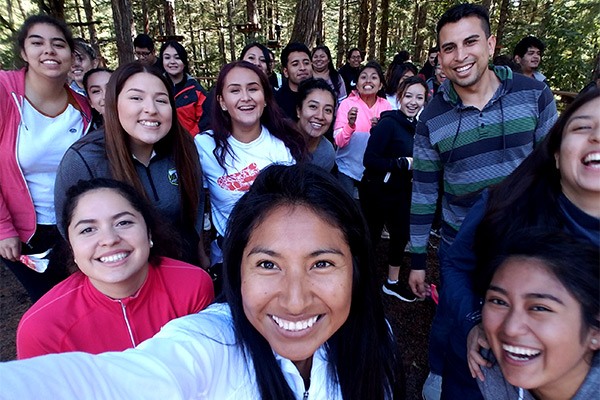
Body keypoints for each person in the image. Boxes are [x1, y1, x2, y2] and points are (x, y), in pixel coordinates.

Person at [0, 164, 400, 400]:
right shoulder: (212, 344)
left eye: (323, 263)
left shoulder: (376, 338)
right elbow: (111, 383)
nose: (295, 301)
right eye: (267, 265)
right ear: (237, 272)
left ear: (357, 267)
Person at [407, 4, 558, 399]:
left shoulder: (535, 95)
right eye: (449, 48)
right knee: (456, 315)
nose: (461, 56)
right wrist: (419, 258)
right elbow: (424, 189)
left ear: (490, 43)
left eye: (470, 41)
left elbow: (555, 173)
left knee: (519, 319)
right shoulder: (431, 118)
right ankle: (440, 367)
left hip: (527, 243)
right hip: (463, 246)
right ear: (439, 57)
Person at [437, 88, 600, 400]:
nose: (596, 138)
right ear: (555, 151)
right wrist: (476, 321)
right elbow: (455, 264)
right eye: (582, 127)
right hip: (481, 371)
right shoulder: (503, 204)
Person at [17, 178, 214, 359]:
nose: (110, 240)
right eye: (88, 229)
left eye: (123, 222)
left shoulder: (192, 285)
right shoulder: (42, 328)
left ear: (149, 232)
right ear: (72, 248)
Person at [55, 62, 208, 268]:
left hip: (181, 268)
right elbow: (71, 229)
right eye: (136, 98)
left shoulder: (183, 146)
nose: (151, 109)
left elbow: (194, 207)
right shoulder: (84, 159)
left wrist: (199, 256)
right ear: (113, 103)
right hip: (120, 273)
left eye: (161, 100)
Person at [0, 15, 92, 302]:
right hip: (24, 231)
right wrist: (3, 229)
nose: (49, 51)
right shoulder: (5, 92)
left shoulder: (83, 107)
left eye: (58, 44)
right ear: (24, 53)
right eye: (37, 43)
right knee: (49, 304)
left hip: (73, 224)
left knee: (83, 301)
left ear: (70, 55)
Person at [195, 61, 307, 269]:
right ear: (221, 101)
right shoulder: (204, 146)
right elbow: (195, 204)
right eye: (235, 90)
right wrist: (200, 251)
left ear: (264, 98)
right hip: (227, 256)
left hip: (276, 253)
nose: (245, 97)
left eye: (253, 89)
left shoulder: (283, 144)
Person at [475, 232, 599, 400]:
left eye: (540, 308)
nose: (511, 329)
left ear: (595, 332)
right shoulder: (489, 366)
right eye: (499, 301)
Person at [361, 76, 428, 302]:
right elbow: (369, 159)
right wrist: (399, 163)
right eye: (408, 96)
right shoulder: (388, 124)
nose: (413, 101)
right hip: (377, 191)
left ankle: (392, 282)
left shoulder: (419, 128)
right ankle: (361, 281)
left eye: (419, 97)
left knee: (401, 235)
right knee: (370, 236)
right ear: (399, 97)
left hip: (402, 192)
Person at [334, 61, 392, 198]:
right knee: (347, 210)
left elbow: (391, 145)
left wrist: (378, 131)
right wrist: (350, 125)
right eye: (363, 77)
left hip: (374, 171)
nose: (368, 81)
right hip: (346, 169)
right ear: (357, 83)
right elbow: (338, 141)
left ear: (380, 85)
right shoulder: (347, 104)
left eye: (373, 77)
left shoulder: (386, 107)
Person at [159, 41, 208, 137]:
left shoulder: (196, 90)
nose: (172, 62)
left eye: (177, 57)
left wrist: (188, 139)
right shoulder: (155, 87)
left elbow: (204, 120)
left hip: (190, 143)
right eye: (167, 58)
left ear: (184, 62)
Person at [296, 78, 337, 172]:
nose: (320, 116)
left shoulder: (327, 153)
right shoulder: (278, 140)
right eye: (313, 106)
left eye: (327, 110)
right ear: (299, 110)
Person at [274, 42, 314, 120]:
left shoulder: (322, 95)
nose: (302, 68)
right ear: (286, 72)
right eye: (295, 64)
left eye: (306, 63)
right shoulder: (276, 102)